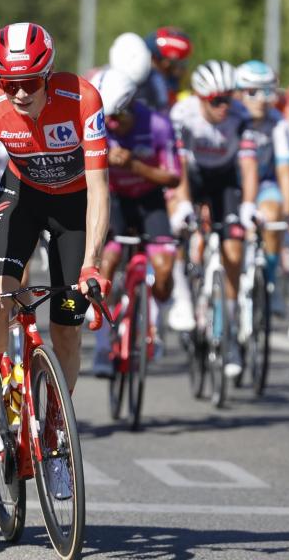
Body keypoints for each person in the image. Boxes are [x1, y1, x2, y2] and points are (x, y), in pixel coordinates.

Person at [0, 22, 112, 493]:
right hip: (22, 199)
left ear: (48, 74)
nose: (21, 93)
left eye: (30, 82)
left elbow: (99, 188)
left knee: (66, 329)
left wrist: (92, 261)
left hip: (74, 208)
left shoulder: (82, 98)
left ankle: (54, 435)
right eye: (10, 84)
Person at [88, 68, 180, 377]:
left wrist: (134, 165)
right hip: (114, 199)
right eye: (107, 119)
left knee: (165, 271)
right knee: (108, 261)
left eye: (116, 118)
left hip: (149, 199)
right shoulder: (98, 124)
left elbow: (174, 176)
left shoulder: (157, 125)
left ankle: (154, 320)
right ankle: (102, 345)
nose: (111, 125)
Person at [167, 61, 250, 381]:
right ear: (200, 97)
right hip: (194, 176)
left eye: (228, 98)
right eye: (217, 100)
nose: (224, 106)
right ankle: (184, 300)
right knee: (175, 229)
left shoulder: (240, 116)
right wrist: (185, 203)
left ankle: (228, 333)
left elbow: (249, 165)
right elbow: (180, 163)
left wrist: (250, 204)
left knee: (233, 250)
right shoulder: (182, 114)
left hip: (226, 180)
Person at [235, 60, 289, 315]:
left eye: (267, 91)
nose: (261, 99)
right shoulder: (230, 118)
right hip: (233, 187)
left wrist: (288, 207)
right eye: (252, 92)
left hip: (264, 185)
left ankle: (270, 281)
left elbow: (283, 167)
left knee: (273, 214)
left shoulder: (278, 123)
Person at [139, 27, 193, 113]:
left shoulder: (173, 82)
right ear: (166, 63)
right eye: (179, 64)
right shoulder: (154, 83)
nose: (183, 70)